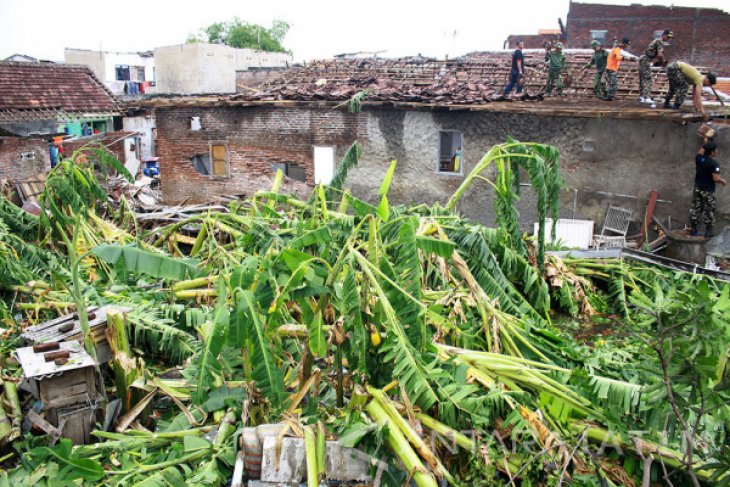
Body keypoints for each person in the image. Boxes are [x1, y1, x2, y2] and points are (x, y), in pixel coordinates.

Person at [690, 141, 726, 237]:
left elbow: (701, 151)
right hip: (708, 190)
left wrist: (706, 141)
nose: (717, 151)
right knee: (709, 209)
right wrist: (722, 181)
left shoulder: (699, 158)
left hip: (698, 188)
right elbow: (715, 178)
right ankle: (708, 232)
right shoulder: (714, 164)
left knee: (696, 208)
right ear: (712, 152)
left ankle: (693, 230)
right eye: (716, 150)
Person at [639, 29, 673, 104]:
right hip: (646, 60)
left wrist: (658, 61)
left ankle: (642, 97)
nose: (668, 39)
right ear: (664, 35)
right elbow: (660, 55)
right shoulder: (660, 41)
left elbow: (656, 54)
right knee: (648, 79)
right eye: (668, 37)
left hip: (643, 59)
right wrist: (663, 62)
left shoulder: (657, 41)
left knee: (643, 79)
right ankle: (647, 97)